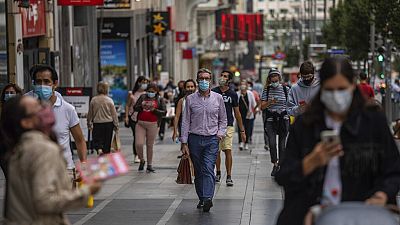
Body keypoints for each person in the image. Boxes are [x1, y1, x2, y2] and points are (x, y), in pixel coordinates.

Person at [275, 58, 400, 225]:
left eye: (342, 89)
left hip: (362, 214)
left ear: (352, 86)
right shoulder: (305, 125)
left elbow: (393, 169)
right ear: (321, 90)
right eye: (330, 90)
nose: (336, 96)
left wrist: (382, 194)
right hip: (311, 214)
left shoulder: (372, 121)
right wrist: (312, 161)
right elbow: (283, 176)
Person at [2, 96, 101, 225]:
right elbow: (44, 200)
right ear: (26, 122)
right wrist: (87, 191)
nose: (44, 109)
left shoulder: (17, 148)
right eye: (37, 108)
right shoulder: (44, 149)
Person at [26, 64, 87, 186]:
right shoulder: (26, 106)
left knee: (66, 204)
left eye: (46, 81)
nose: (42, 85)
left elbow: (79, 140)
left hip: (64, 170)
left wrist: (83, 164)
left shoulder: (67, 109)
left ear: (55, 84)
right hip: (35, 171)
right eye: (38, 82)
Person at [180, 68, 227, 212]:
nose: (204, 81)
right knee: (199, 170)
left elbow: (223, 119)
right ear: (197, 80)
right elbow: (186, 121)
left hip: (212, 139)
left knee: (208, 167)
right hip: (194, 139)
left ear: (211, 80)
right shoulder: (190, 99)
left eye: (207, 78)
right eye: (201, 79)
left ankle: (208, 198)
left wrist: (220, 133)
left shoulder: (218, 98)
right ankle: (201, 197)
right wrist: (184, 142)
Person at [212, 71, 246, 186]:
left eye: (225, 76)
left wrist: (242, 130)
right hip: (214, 126)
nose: (222, 78)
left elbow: (237, 113)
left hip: (228, 125)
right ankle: (218, 172)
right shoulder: (213, 92)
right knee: (216, 151)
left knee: (227, 149)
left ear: (229, 80)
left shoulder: (232, 94)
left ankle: (229, 176)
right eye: (221, 75)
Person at [261, 68, 290, 177]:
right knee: (272, 143)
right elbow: (262, 107)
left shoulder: (285, 89)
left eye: (275, 77)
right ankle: (275, 163)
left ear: (279, 77)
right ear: (269, 79)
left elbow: (290, 103)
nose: (274, 80)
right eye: (272, 78)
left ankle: (281, 166)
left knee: (282, 145)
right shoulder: (266, 90)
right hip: (270, 120)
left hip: (283, 119)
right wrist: (270, 102)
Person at [134, 83, 166, 173]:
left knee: (150, 145)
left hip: (153, 124)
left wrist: (154, 110)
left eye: (152, 91)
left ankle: (149, 165)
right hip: (140, 123)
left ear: (156, 92)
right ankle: (142, 160)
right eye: (148, 91)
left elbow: (164, 112)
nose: (150, 93)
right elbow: (135, 107)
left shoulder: (159, 99)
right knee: (139, 144)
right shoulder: (142, 97)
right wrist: (141, 106)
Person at [87, 82, 119, 155]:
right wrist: (116, 125)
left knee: (97, 140)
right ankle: (105, 159)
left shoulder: (94, 100)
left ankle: (99, 149)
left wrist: (89, 123)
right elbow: (114, 115)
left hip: (97, 123)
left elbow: (90, 113)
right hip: (108, 124)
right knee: (107, 142)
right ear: (106, 89)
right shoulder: (109, 100)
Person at [125, 76, 148, 163]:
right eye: (142, 82)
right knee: (136, 136)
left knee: (141, 137)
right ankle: (136, 155)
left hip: (144, 118)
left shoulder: (147, 94)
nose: (144, 84)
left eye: (146, 82)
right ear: (138, 83)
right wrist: (126, 116)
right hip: (133, 118)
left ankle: (140, 153)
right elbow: (127, 105)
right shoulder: (132, 94)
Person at [237, 80, 256, 151]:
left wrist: (252, 112)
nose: (243, 86)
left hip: (248, 114)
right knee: (240, 129)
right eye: (241, 84)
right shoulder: (237, 94)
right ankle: (241, 142)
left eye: (244, 84)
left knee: (247, 129)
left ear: (246, 86)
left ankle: (246, 143)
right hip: (239, 115)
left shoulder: (250, 93)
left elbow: (253, 104)